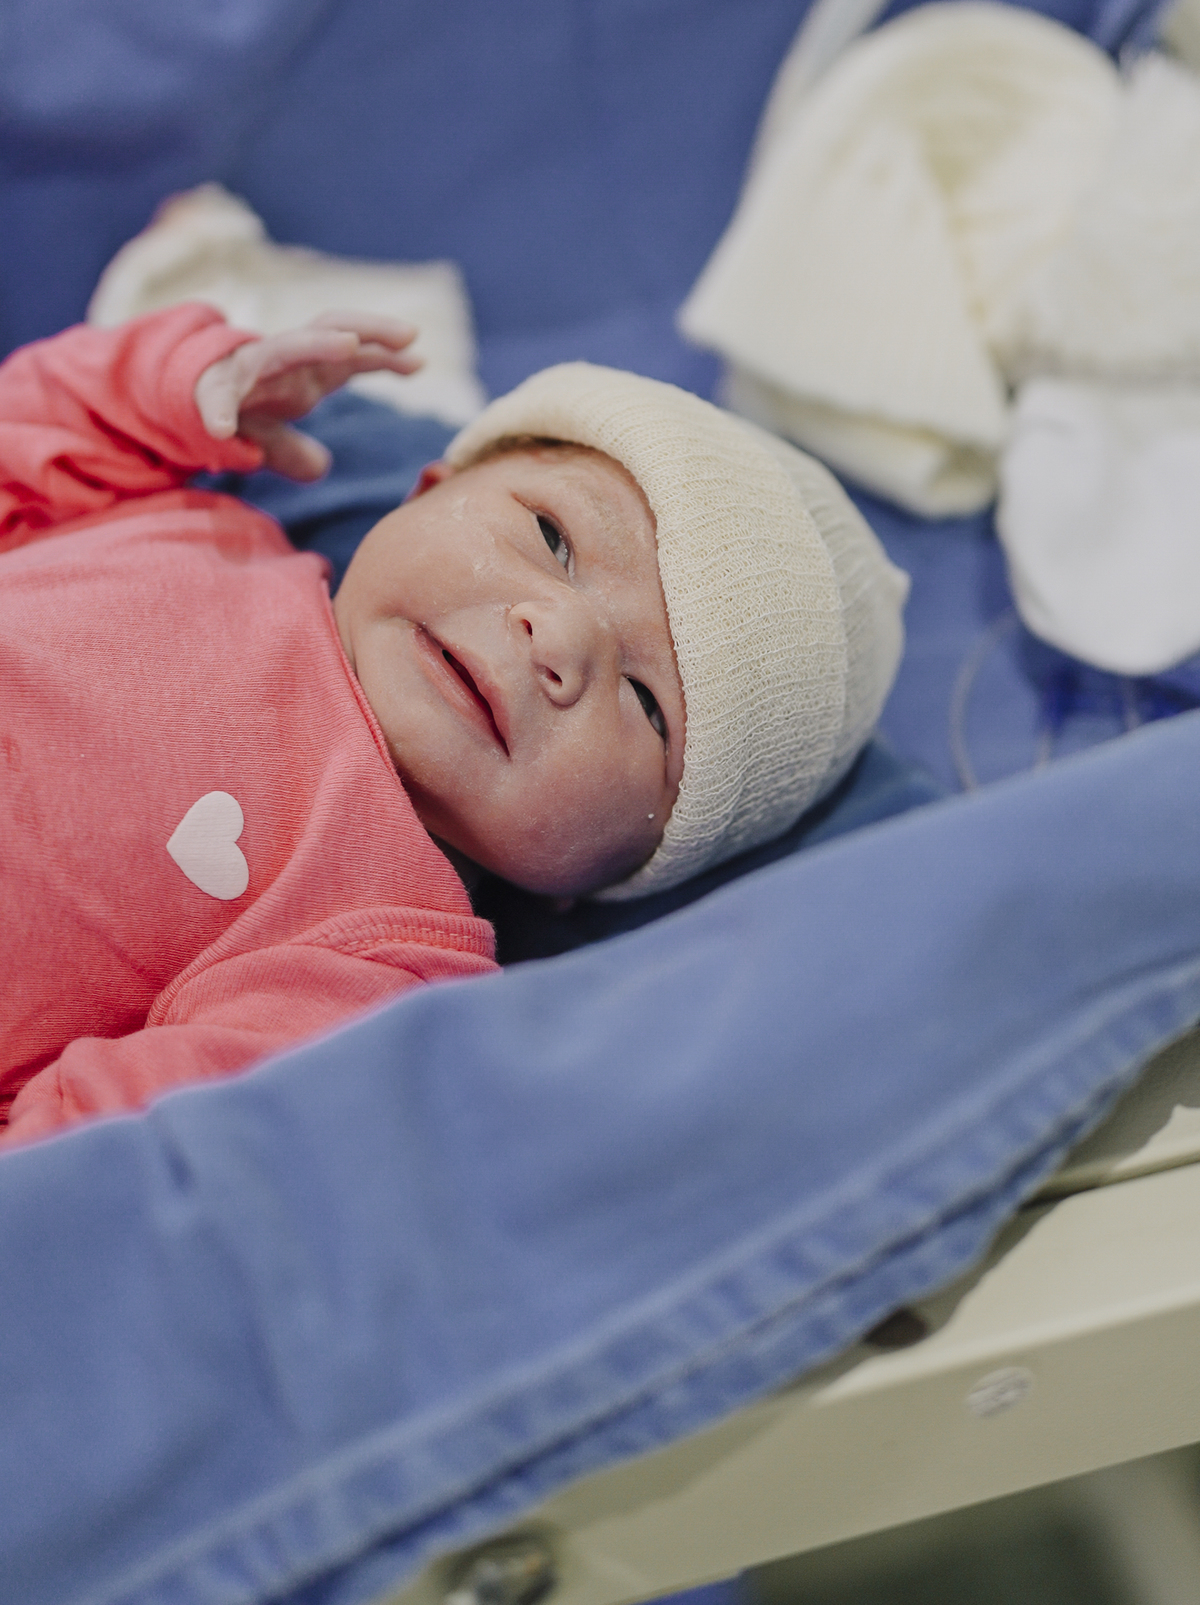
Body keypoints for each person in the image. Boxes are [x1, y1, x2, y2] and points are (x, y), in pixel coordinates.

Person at [0, 302, 907, 1144]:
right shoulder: (194, 519)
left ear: (614, 870)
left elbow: (104, 1161)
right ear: (424, 491)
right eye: (554, 538)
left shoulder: (386, 974)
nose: (558, 635)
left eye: (647, 703)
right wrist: (171, 385)